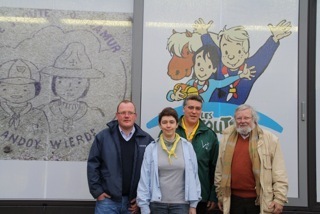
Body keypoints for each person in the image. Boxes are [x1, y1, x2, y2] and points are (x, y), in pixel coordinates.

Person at [215, 104, 288, 214]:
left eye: (246, 118)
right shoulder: (226, 139)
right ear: (235, 120)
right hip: (233, 199)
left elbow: (279, 172)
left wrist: (279, 199)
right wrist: (220, 195)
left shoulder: (270, 140)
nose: (242, 121)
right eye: (239, 118)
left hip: (260, 200)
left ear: (253, 119)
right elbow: (219, 169)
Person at [87, 100, 154, 214]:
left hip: (133, 204)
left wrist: (142, 199)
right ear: (117, 115)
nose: (126, 116)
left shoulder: (146, 140)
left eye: (130, 113)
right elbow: (93, 165)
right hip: (107, 203)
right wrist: (97, 192)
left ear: (135, 116)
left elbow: (152, 172)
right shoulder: (103, 137)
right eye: (123, 113)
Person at [137, 107, 201, 214]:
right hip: (157, 204)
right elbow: (144, 178)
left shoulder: (187, 147)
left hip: (181, 204)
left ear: (177, 124)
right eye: (164, 122)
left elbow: (194, 177)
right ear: (160, 125)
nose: (168, 125)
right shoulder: (151, 148)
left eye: (171, 122)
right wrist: (144, 206)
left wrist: (193, 205)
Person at [175, 95, 219, 213]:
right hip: (174, 195)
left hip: (200, 196)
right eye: (190, 108)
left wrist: (213, 195)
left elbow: (215, 168)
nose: (194, 112)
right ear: (183, 109)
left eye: (198, 108)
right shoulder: (171, 131)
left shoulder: (209, 135)